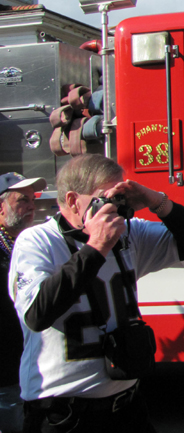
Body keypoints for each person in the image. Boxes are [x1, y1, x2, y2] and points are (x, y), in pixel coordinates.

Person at [10, 154, 184, 432]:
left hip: (126, 405)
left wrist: (156, 201)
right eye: (105, 198)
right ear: (73, 201)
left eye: (119, 197)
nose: (116, 207)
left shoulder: (129, 233)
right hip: (64, 412)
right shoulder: (37, 241)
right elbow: (37, 315)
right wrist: (96, 247)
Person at [0, 173, 46, 433]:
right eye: (22, 200)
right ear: (1, 207)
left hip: (33, 365)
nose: (31, 206)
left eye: (32, 200)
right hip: (6, 370)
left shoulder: (30, 246)